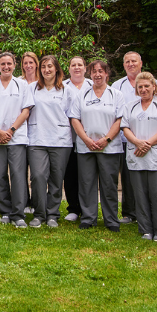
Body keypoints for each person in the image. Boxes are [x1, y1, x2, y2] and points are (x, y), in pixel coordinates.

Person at [111, 51, 157, 224]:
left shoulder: (154, 83)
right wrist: (134, 140)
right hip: (124, 139)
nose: (131, 64)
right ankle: (130, 213)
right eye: (127, 61)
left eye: (134, 61)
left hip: (151, 141)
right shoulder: (117, 85)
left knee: (151, 182)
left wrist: (148, 141)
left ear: (141, 63)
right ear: (123, 65)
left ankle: (152, 213)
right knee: (129, 179)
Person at [70, 60, 125, 232]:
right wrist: (86, 139)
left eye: (101, 71)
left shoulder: (116, 95)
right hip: (86, 147)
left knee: (109, 184)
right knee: (86, 183)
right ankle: (88, 218)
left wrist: (106, 139)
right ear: (90, 74)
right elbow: (74, 119)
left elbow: (120, 120)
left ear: (107, 73)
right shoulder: (82, 95)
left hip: (109, 148)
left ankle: (111, 220)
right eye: (94, 71)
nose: (98, 74)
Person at [0, 52, 33, 228]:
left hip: (16, 137)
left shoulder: (22, 84)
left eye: (9, 63)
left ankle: (18, 214)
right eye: (3, 64)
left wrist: (10, 131)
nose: (6, 67)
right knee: (0, 174)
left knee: (18, 175)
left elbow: (26, 110)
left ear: (14, 65)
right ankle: (5, 211)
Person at [121, 72, 157, 241]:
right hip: (136, 156)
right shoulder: (130, 106)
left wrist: (147, 144)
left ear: (154, 87)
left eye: (146, 86)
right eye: (140, 87)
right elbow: (125, 128)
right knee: (140, 195)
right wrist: (138, 143)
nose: (143, 89)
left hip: (156, 158)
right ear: (136, 90)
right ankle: (145, 230)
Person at [27, 55, 75, 228]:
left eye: (50, 66)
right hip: (37, 139)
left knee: (56, 179)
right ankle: (39, 214)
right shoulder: (32, 88)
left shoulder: (66, 90)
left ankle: (53, 214)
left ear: (57, 69)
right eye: (43, 67)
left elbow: (73, 116)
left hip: (60, 140)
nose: (47, 70)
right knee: (38, 177)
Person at [62, 56, 92, 222]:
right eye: (73, 65)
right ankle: (73, 208)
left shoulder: (92, 85)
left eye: (80, 64)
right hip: (69, 138)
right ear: (69, 68)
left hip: (89, 139)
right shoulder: (63, 86)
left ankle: (87, 208)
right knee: (71, 175)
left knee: (86, 176)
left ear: (85, 68)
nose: (77, 67)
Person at [21, 52, 39, 215]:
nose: (28, 65)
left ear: (36, 64)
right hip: (19, 131)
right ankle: (25, 201)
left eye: (31, 62)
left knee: (36, 171)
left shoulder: (42, 83)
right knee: (20, 170)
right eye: (25, 63)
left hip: (37, 132)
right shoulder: (18, 83)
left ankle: (37, 201)